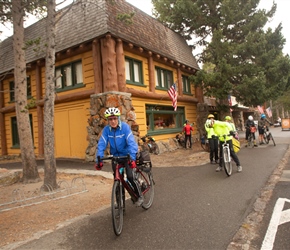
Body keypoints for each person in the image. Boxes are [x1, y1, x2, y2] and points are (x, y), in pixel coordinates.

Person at [94, 107, 143, 206]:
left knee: (130, 176)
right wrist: (98, 159)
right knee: (117, 179)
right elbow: (101, 144)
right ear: (108, 120)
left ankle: (139, 195)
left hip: (127, 156)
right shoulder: (107, 130)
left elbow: (131, 143)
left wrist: (132, 158)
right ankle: (120, 203)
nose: (113, 121)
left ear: (118, 118)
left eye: (115, 118)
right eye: (110, 119)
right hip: (116, 158)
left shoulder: (124, 127)